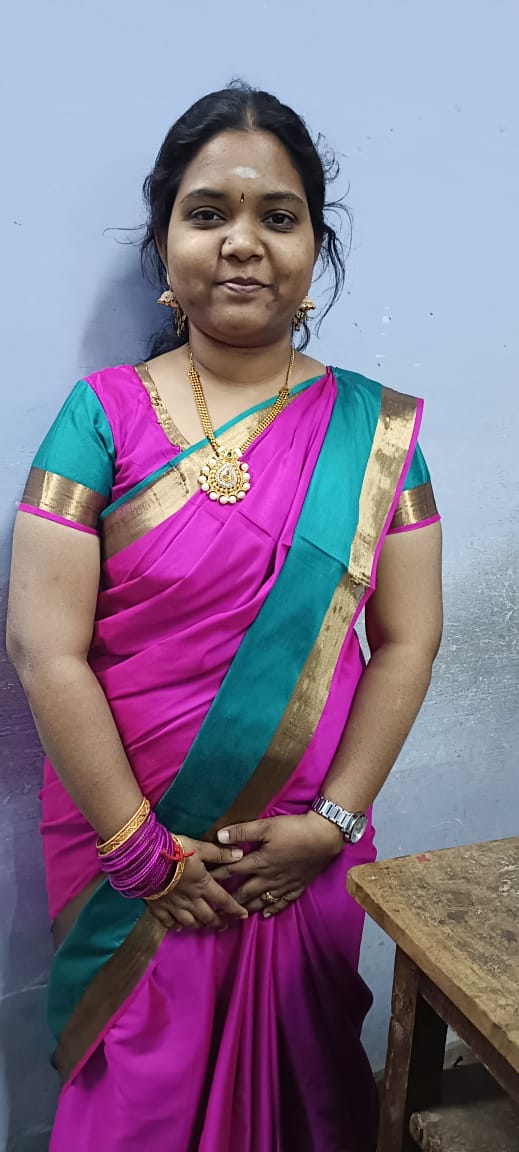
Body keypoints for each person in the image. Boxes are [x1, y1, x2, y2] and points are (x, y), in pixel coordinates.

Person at [6, 81, 442, 1152]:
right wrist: (137, 850)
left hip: (299, 855)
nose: (242, 242)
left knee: (307, 1092)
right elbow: (44, 647)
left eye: (276, 216)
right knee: (137, 1106)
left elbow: (408, 641)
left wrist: (330, 826)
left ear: (313, 246)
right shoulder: (100, 418)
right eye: (207, 213)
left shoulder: (377, 434)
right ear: (164, 244)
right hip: (133, 859)